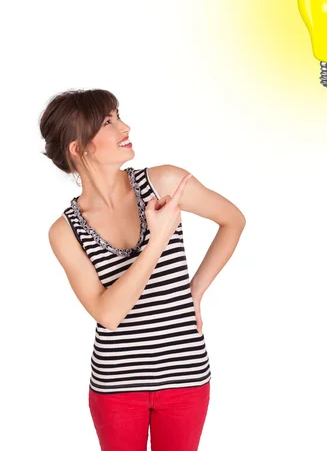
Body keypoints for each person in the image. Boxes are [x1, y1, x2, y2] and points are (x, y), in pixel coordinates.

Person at [39, 88, 246, 451]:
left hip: (186, 377)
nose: (124, 126)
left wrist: (193, 293)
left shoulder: (164, 183)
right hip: (117, 389)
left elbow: (233, 220)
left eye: (118, 116)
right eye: (108, 121)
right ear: (79, 148)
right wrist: (159, 239)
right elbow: (109, 314)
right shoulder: (64, 232)